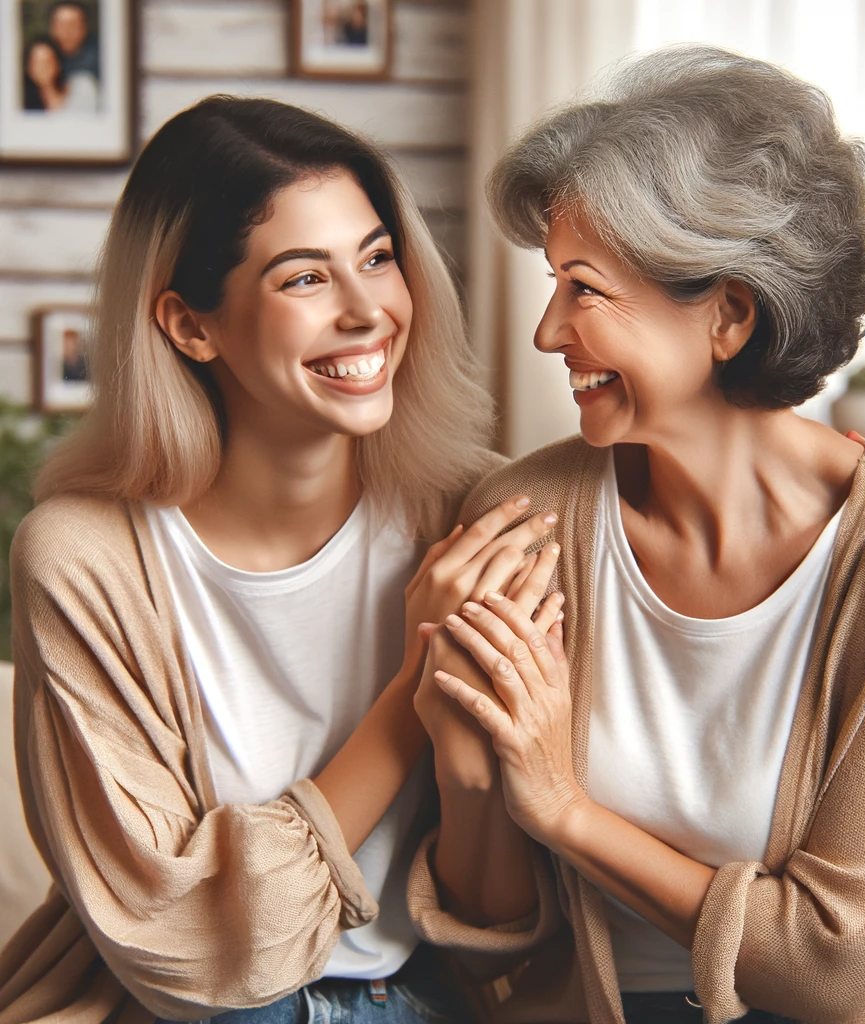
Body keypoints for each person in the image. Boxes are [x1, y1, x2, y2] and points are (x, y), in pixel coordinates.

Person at [409, 46, 865, 1024]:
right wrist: (465, 760)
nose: (547, 332)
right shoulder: (520, 521)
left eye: (584, 289)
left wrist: (564, 805)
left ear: (726, 314)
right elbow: (493, 953)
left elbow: (825, 962)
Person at [2, 95, 562, 1024]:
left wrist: (469, 755)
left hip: (430, 996)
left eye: (378, 258)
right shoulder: (83, 559)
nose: (366, 311)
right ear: (188, 325)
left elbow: (501, 914)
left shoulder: (483, 517)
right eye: (304, 279)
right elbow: (183, 940)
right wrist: (413, 690)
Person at [22, 35, 97, 113]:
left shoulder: (82, 87)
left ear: (58, 64)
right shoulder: (23, 104)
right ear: (28, 69)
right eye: (37, 63)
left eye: (48, 61)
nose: (43, 68)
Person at [48, 1, 100, 81]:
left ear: (84, 29)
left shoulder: (100, 56)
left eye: (73, 25)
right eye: (62, 26)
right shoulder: (46, 54)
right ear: (53, 30)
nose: (67, 32)